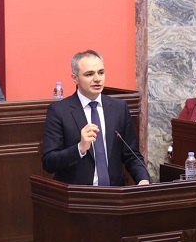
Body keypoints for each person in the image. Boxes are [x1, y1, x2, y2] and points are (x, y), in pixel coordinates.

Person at [42, 50, 150, 186]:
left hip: (115, 194)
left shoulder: (119, 108)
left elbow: (131, 154)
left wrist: (143, 179)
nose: (97, 78)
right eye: (89, 74)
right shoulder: (59, 111)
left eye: (101, 72)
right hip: (78, 194)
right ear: (75, 78)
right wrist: (80, 148)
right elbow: (49, 162)